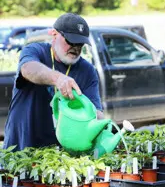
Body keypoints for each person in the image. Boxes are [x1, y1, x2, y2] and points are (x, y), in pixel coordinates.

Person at [3, 13, 104, 151]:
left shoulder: (88, 71)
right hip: (21, 147)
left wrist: (101, 124)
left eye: (80, 44)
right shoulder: (35, 50)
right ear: (54, 34)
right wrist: (58, 78)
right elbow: (27, 69)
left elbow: (95, 112)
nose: (75, 47)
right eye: (70, 41)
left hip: (57, 155)